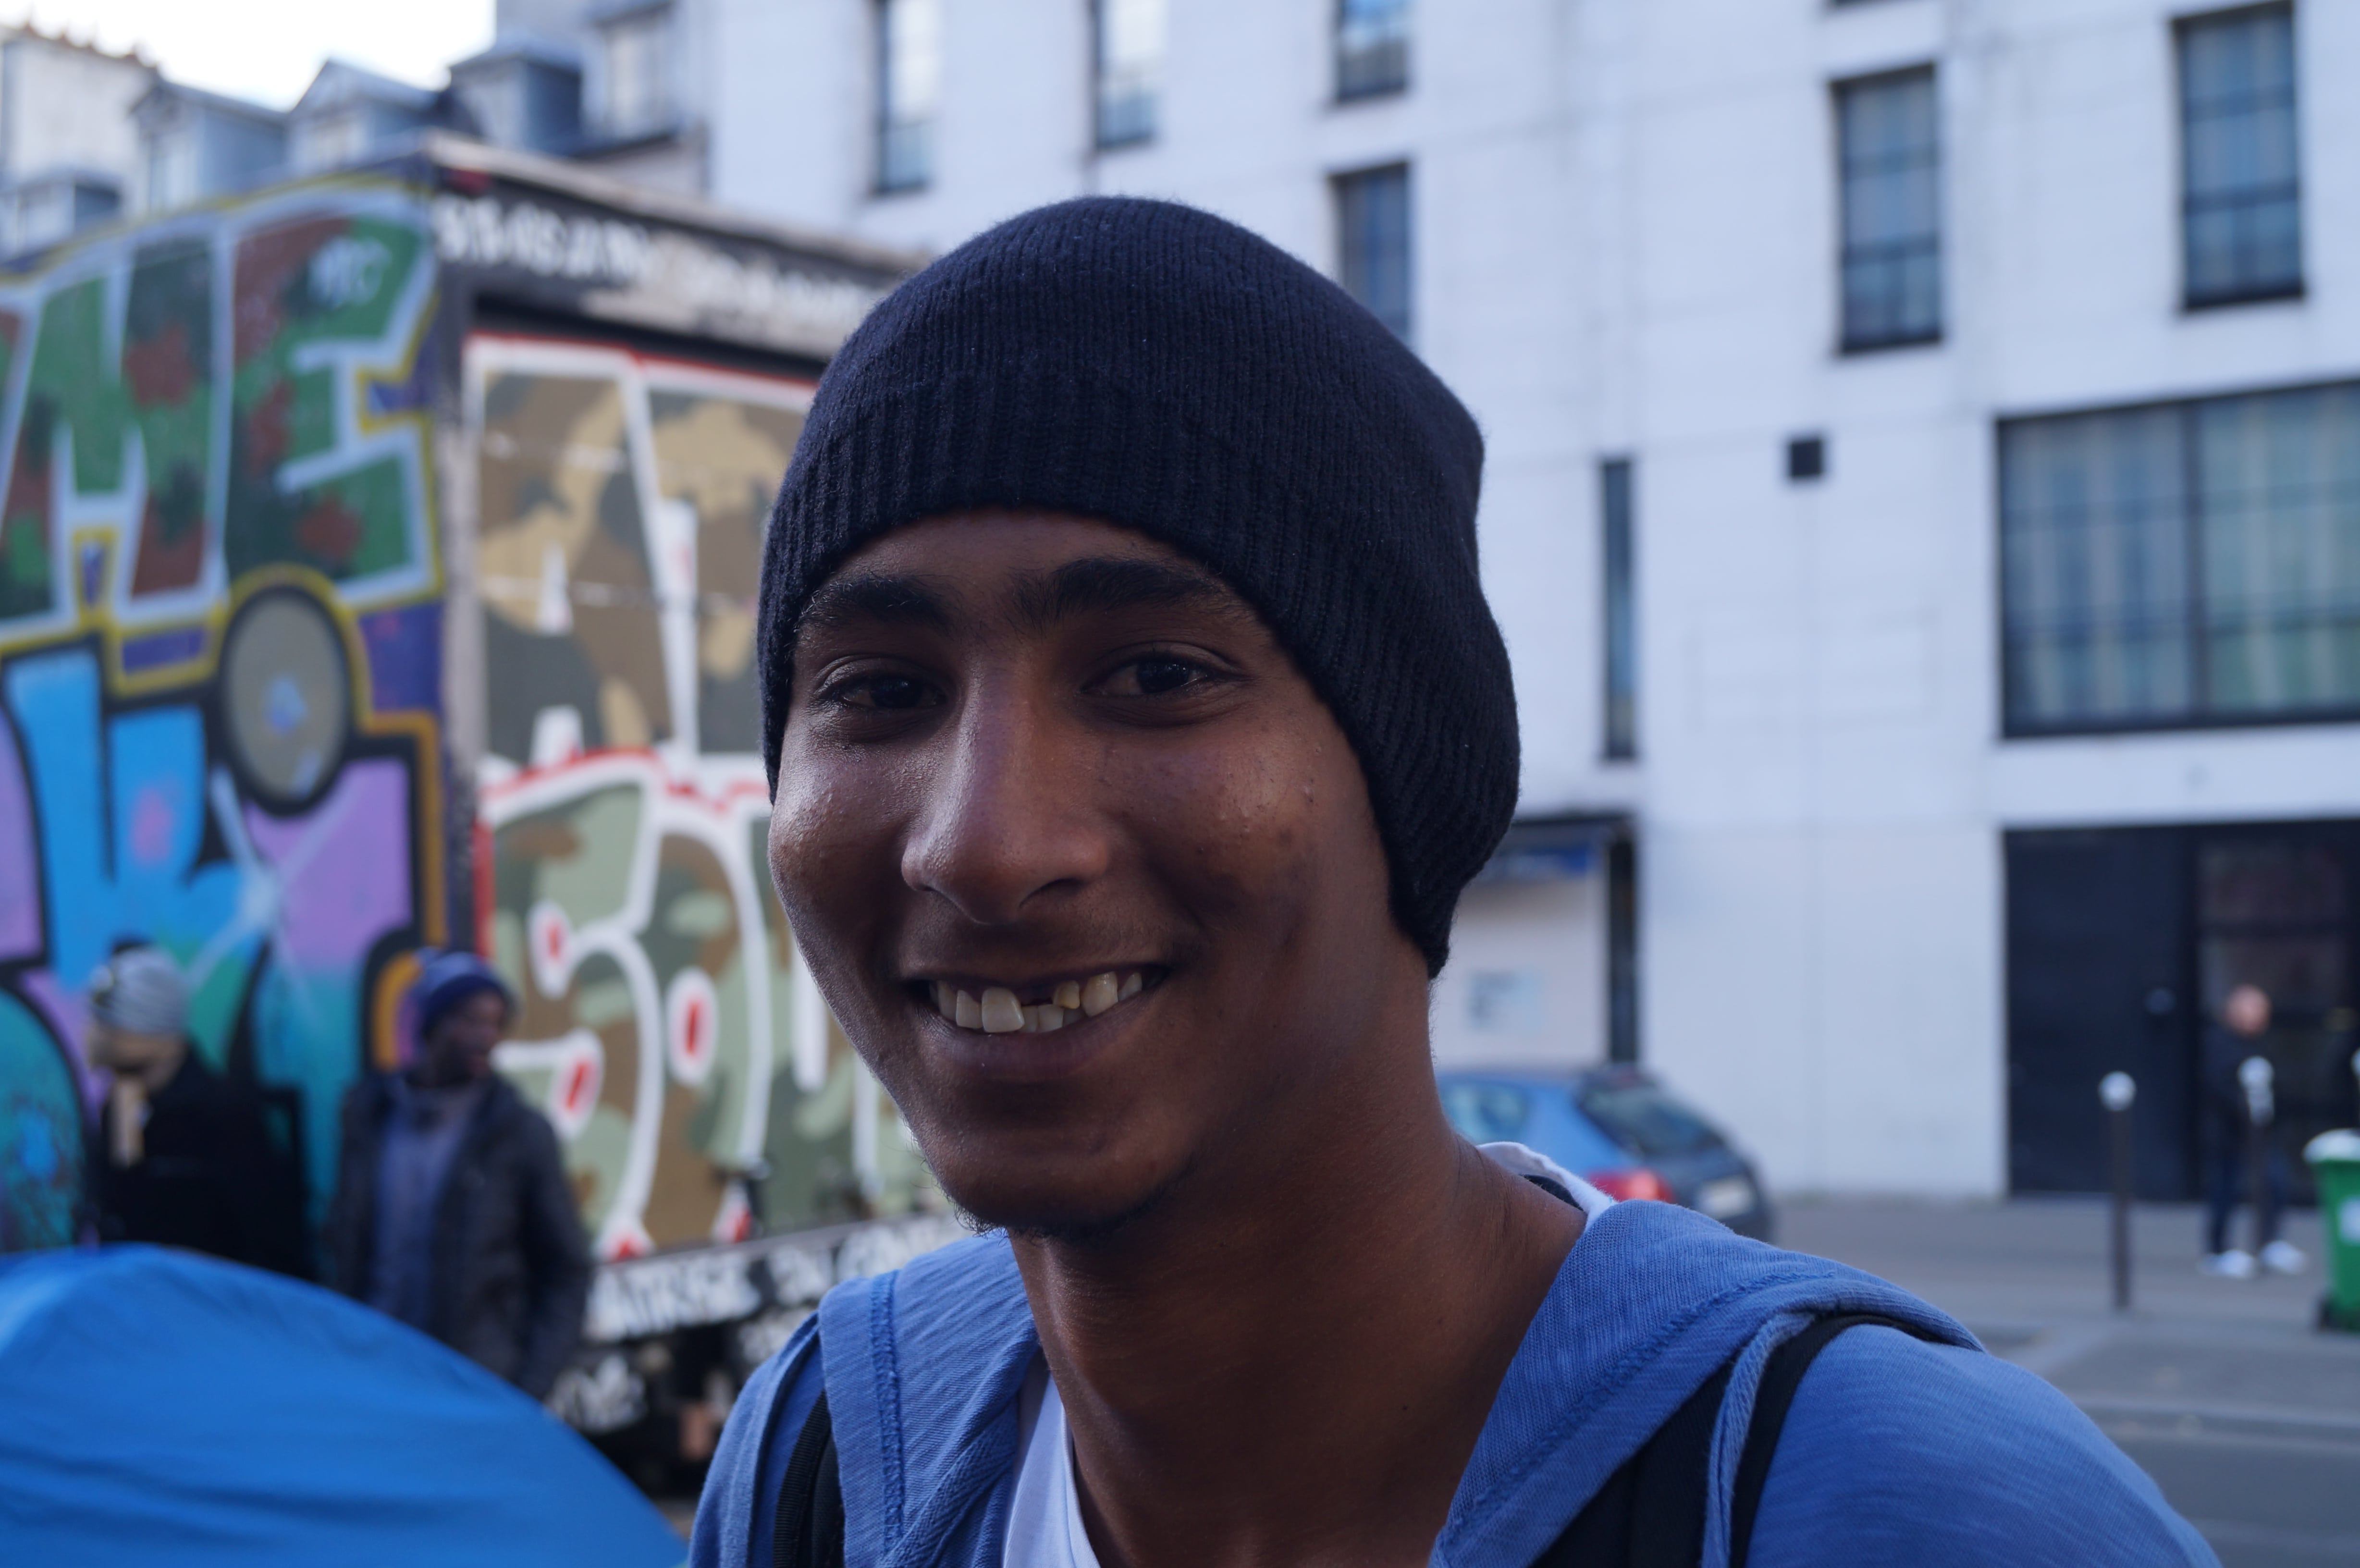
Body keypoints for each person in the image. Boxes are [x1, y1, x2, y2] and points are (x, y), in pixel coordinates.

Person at [692, 199, 2213, 1567]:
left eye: (1155, 675)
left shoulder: (1910, 1508)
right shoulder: (828, 1454)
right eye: (878, 691)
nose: (980, 844)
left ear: (1411, 781)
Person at [326, 950, 589, 1400]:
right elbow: (345, 1247)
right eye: (471, 1021)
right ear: (432, 1025)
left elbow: (567, 1270)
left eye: (497, 1024)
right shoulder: (372, 1119)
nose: (487, 1037)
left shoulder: (516, 1133)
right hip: (377, 1375)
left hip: (475, 1385)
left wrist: (530, 1388)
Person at [85, 946, 307, 1275]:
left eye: (110, 1026)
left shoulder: (226, 1116)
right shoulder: (120, 1109)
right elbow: (116, 1221)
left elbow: (269, 1240)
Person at [2200, 982, 2302, 1280]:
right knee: (2225, 1188)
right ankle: (2217, 1250)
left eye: (2262, 1009)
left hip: (2263, 1133)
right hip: (2228, 1134)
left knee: (2276, 1182)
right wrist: (2244, 1111)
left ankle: (2269, 1241)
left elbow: (2279, 1084)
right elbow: (2218, 1087)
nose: (2258, 1015)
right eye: (2252, 1008)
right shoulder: (2220, 1043)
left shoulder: (2262, 1044)